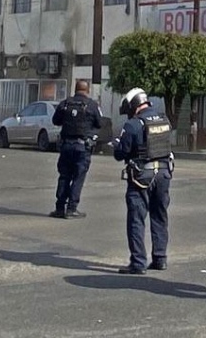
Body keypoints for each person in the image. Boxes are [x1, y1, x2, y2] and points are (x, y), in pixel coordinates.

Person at [111, 87, 174, 275]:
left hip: (141, 176)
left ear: (133, 105)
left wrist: (117, 145)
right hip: (163, 173)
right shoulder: (164, 120)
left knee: (137, 219)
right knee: (159, 215)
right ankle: (160, 258)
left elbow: (121, 152)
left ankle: (138, 262)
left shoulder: (133, 124)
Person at [49, 80, 102, 219]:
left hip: (66, 146)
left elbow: (55, 121)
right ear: (87, 90)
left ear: (75, 89)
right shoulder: (91, 105)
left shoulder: (65, 103)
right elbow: (99, 123)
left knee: (64, 176)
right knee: (78, 178)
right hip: (82, 147)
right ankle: (71, 209)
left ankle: (60, 208)